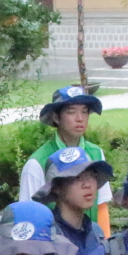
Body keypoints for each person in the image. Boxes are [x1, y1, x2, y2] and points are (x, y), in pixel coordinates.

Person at [24, 87, 112, 234]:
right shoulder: (37, 163)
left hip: (92, 243)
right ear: (56, 117)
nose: (80, 118)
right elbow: (28, 214)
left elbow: (101, 204)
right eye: (71, 112)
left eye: (84, 111)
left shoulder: (96, 153)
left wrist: (105, 245)